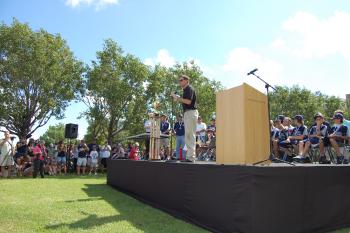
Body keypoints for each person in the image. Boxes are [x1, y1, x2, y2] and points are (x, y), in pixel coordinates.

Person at [171, 75, 198, 162]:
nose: (180, 82)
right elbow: (185, 101)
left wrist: (178, 98)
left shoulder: (189, 88)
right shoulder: (185, 90)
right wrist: (177, 98)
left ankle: (191, 157)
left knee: (190, 135)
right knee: (188, 136)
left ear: (186, 80)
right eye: (179, 80)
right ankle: (189, 156)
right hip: (188, 113)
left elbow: (188, 101)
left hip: (191, 112)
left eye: (181, 80)